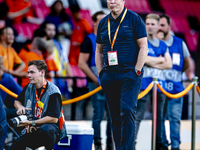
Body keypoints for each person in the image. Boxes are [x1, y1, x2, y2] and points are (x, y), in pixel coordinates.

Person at [95, 0, 148, 149]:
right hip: (109, 76)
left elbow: (144, 47)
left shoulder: (134, 18)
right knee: (115, 116)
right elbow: (99, 51)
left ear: (123, 0)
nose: (112, 1)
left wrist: (137, 70)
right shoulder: (103, 22)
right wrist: (101, 74)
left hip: (129, 74)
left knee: (127, 111)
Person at [8, 60, 66, 150]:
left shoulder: (53, 91)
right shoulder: (29, 87)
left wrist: (31, 123)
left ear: (42, 72)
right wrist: (20, 107)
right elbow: (17, 101)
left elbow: (53, 119)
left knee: (46, 129)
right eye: (28, 72)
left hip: (51, 129)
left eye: (32, 72)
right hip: (32, 128)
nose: (28, 75)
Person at [134, 14, 172, 150]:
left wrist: (151, 61)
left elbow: (169, 64)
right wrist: (160, 60)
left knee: (160, 118)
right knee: (137, 116)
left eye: (152, 24)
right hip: (143, 86)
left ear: (157, 26)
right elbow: (143, 59)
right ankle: (132, 145)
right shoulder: (140, 42)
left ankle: (160, 145)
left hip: (160, 87)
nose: (149, 26)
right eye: (147, 23)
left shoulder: (163, 44)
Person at [78, 11, 113, 150]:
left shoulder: (111, 39)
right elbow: (81, 63)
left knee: (112, 115)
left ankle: (111, 143)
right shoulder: (89, 40)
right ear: (94, 22)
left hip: (111, 84)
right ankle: (98, 144)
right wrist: (96, 79)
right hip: (96, 84)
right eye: (100, 20)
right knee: (98, 114)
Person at [158, 14, 190, 150]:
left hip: (176, 89)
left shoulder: (179, 43)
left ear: (169, 27)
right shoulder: (154, 43)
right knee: (159, 119)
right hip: (159, 89)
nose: (160, 28)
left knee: (175, 119)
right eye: (158, 25)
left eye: (163, 25)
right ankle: (163, 144)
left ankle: (176, 146)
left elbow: (187, 63)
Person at [68, 4, 92, 88]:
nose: (76, 14)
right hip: (71, 51)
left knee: (82, 66)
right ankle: (76, 86)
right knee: (73, 67)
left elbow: (90, 34)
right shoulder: (70, 22)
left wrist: (81, 43)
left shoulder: (83, 22)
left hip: (81, 50)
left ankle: (84, 86)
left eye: (77, 12)